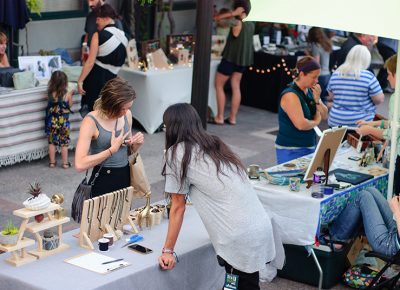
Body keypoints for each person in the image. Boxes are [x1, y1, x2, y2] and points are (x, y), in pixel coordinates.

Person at [159, 103, 278, 290]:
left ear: (172, 127)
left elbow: (177, 206)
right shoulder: (214, 143)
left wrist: (168, 251)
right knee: (244, 284)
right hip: (258, 226)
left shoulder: (177, 153)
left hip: (238, 236)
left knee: (240, 284)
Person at [75, 77, 144, 197]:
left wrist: (135, 145)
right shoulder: (91, 121)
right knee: (100, 215)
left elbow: (126, 152)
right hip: (103, 179)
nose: (126, 111)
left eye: (129, 107)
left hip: (124, 176)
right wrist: (111, 150)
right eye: (123, 108)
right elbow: (80, 164)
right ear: (110, 104)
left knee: (123, 215)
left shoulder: (127, 115)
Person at [356, 54, 399, 194]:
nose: (387, 78)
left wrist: (369, 129)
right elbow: (393, 123)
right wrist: (372, 123)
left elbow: (393, 131)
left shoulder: (396, 98)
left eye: (389, 74)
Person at [275, 56, 328, 164]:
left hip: (309, 146)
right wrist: (316, 121)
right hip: (291, 149)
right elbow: (301, 124)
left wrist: (317, 100)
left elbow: (324, 115)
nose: (317, 81)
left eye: (318, 77)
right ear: (302, 74)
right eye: (314, 77)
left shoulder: (310, 90)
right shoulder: (290, 95)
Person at [77, 3, 128, 113]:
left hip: (95, 80)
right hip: (112, 81)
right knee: (108, 113)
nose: (96, 22)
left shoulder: (98, 35)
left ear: (106, 18)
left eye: (98, 19)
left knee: (94, 114)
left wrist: (80, 81)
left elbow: (90, 62)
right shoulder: (124, 36)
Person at [211, 0, 254, 125]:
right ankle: (232, 118)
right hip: (242, 61)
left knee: (219, 86)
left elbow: (216, 18)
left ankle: (219, 117)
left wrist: (232, 13)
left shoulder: (236, 22)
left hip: (230, 59)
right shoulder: (251, 24)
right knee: (236, 86)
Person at [329, 187, 400, 257]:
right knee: (371, 190)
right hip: (396, 231)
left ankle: (337, 239)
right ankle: (349, 234)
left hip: (390, 245)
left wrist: (397, 211)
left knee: (363, 196)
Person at [327, 45, 384, 128]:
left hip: (336, 122)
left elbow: (331, 96)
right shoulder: (368, 76)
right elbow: (379, 100)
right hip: (361, 124)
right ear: (366, 59)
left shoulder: (336, 74)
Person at [45, 71, 73, 169]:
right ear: (65, 82)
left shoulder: (49, 93)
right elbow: (70, 105)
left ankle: (52, 162)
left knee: (51, 142)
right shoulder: (67, 94)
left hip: (52, 121)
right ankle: (65, 163)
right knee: (64, 143)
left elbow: (48, 102)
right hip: (63, 122)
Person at [307, 27, 332, 103]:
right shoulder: (326, 43)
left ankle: (316, 114)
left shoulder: (316, 46)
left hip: (320, 76)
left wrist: (308, 54)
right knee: (323, 98)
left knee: (316, 98)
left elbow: (316, 64)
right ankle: (323, 114)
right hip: (327, 75)